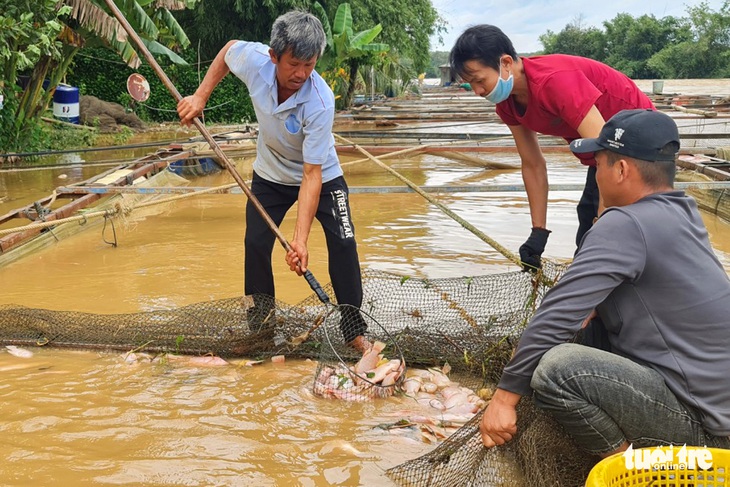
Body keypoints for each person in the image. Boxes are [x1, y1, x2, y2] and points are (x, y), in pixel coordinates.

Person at [479, 109, 730, 458]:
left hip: (707, 429)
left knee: (557, 369)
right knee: (591, 330)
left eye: (599, 164)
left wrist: (504, 399)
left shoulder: (626, 223)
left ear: (622, 170)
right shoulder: (681, 209)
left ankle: (630, 470)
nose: (596, 175)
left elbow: (556, 314)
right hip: (718, 405)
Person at [177, 11, 370, 352]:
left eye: (309, 65)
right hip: (270, 173)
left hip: (322, 176)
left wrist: (300, 241)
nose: (301, 74)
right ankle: (261, 329)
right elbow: (228, 50)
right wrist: (200, 96)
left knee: (343, 241)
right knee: (255, 244)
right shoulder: (254, 61)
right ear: (274, 56)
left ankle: (354, 332)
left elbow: (311, 175)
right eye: (294, 64)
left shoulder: (320, 100)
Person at [449, 25, 655, 270]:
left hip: (640, 141)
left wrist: (602, 226)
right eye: (471, 84)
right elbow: (533, 163)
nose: (478, 91)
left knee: (602, 243)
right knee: (589, 227)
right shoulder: (507, 103)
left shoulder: (554, 81)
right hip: (603, 153)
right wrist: (538, 232)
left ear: (505, 63)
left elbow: (607, 154)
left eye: (479, 80)